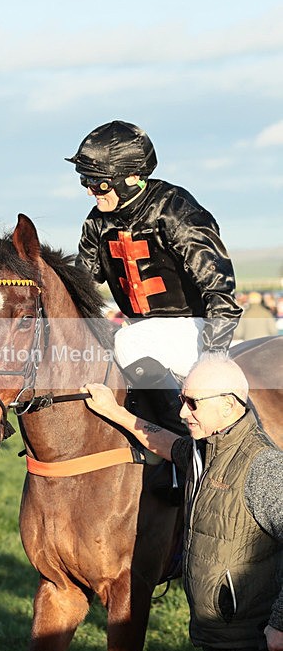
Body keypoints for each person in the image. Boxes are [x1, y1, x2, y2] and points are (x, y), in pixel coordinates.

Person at [83, 353, 282, 651]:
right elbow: (165, 441)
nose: (182, 411)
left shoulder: (265, 468)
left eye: (193, 402)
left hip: (252, 638)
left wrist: (280, 622)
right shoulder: (203, 450)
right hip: (216, 633)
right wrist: (115, 412)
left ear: (229, 404)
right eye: (182, 399)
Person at [66, 120, 243, 434]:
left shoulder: (175, 210)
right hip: (144, 334)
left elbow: (220, 287)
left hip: (194, 329)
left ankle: (186, 440)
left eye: (100, 183)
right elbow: (79, 287)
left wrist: (214, 351)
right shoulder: (96, 223)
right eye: (86, 181)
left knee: (129, 340)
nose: (92, 191)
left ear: (133, 177)